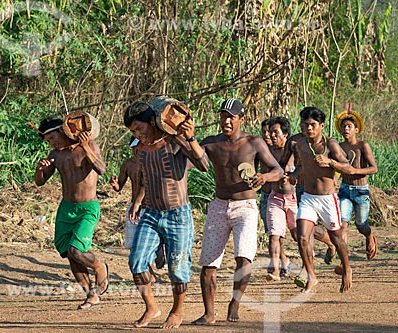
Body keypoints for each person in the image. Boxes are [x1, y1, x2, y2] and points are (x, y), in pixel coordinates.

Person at [193, 99, 283, 325]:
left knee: (244, 258)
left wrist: (264, 177)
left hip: (246, 207)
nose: (226, 120)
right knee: (208, 264)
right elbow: (192, 161)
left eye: (231, 116)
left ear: (241, 119)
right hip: (219, 205)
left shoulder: (254, 143)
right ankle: (209, 313)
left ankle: (235, 302)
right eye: (223, 115)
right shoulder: (211, 144)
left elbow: (278, 170)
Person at [124, 101, 209, 329]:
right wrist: (137, 201)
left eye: (138, 128)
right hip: (150, 213)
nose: (136, 134)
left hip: (177, 215)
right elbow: (145, 177)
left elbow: (204, 165)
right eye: (132, 131)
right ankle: (151, 306)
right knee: (137, 262)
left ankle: (177, 310)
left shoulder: (174, 141)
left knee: (177, 269)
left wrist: (191, 138)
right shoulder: (139, 148)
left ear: (152, 121)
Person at [34, 114, 109, 309]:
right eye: (47, 141)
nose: (51, 143)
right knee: (69, 252)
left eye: (52, 138)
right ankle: (91, 295)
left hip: (88, 208)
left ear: (62, 131)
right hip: (66, 208)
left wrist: (85, 147)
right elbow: (40, 182)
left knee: (77, 250)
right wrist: (39, 169)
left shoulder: (89, 146)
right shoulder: (56, 155)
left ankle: (99, 266)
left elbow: (101, 169)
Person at [288, 106, 352, 293]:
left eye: (313, 125)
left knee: (337, 238)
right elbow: (302, 166)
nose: (308, 128)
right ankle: (311, 275)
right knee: (302, 237)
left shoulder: (330, 144)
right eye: (305, 124)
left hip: (327, 199)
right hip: (308, 197)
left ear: (321, 126)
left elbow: (348, 168)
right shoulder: (299, 145)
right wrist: (294, 176)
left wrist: (330, 162)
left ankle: (347, 269)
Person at [317, 108, 378, 264]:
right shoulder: (338, 147)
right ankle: (345, 262)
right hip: (344, 190)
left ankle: (369, 236)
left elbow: (374, 168)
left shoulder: (363, 146)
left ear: (356, 130)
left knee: (361, 225)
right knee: (342, 225)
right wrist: (334, 177)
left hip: (361, 191)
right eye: (343, 127)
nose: (346, 129)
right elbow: (331, 165)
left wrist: (355, 170)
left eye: (349, 126)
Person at [109, 137, 165, 275]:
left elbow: (146, 184)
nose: (138, 151)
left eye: (141, 147)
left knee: (153, 239)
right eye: (136, 148)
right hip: (136, 208)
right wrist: (115, 184)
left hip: (152, 206)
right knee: (135, 244)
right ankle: (148, 273)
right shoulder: (128, 164)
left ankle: (159, 252)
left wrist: (138, 202)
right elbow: (119, 186)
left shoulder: (152, 162)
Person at [265, 116, 297, 281]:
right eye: (271, 133)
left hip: (292, 198)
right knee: (274, 235)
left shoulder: (292, 148)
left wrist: (289, 170)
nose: (272, 136)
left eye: (276, 133)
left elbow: (298, 167)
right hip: (275, 198)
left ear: (285, 134)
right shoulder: (268, 151)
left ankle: (308, 263)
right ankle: (276, 270)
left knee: (298, 235)